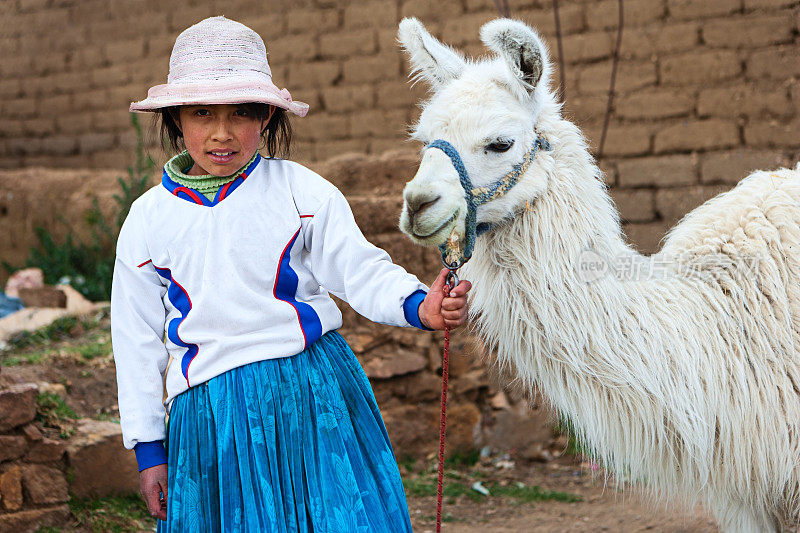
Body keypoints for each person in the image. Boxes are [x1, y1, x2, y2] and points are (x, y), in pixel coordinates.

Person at [111, 16, 471, 532]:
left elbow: (359, 268)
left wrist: (420, 306)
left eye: (242, 112)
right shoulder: (147, 219)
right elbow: (136, 339)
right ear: (174, 120)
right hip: (214, 418)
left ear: (266, 117)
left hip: (311, 393)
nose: (221, 132)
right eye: (201, 112)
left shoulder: (301, 192)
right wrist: (149, 449)